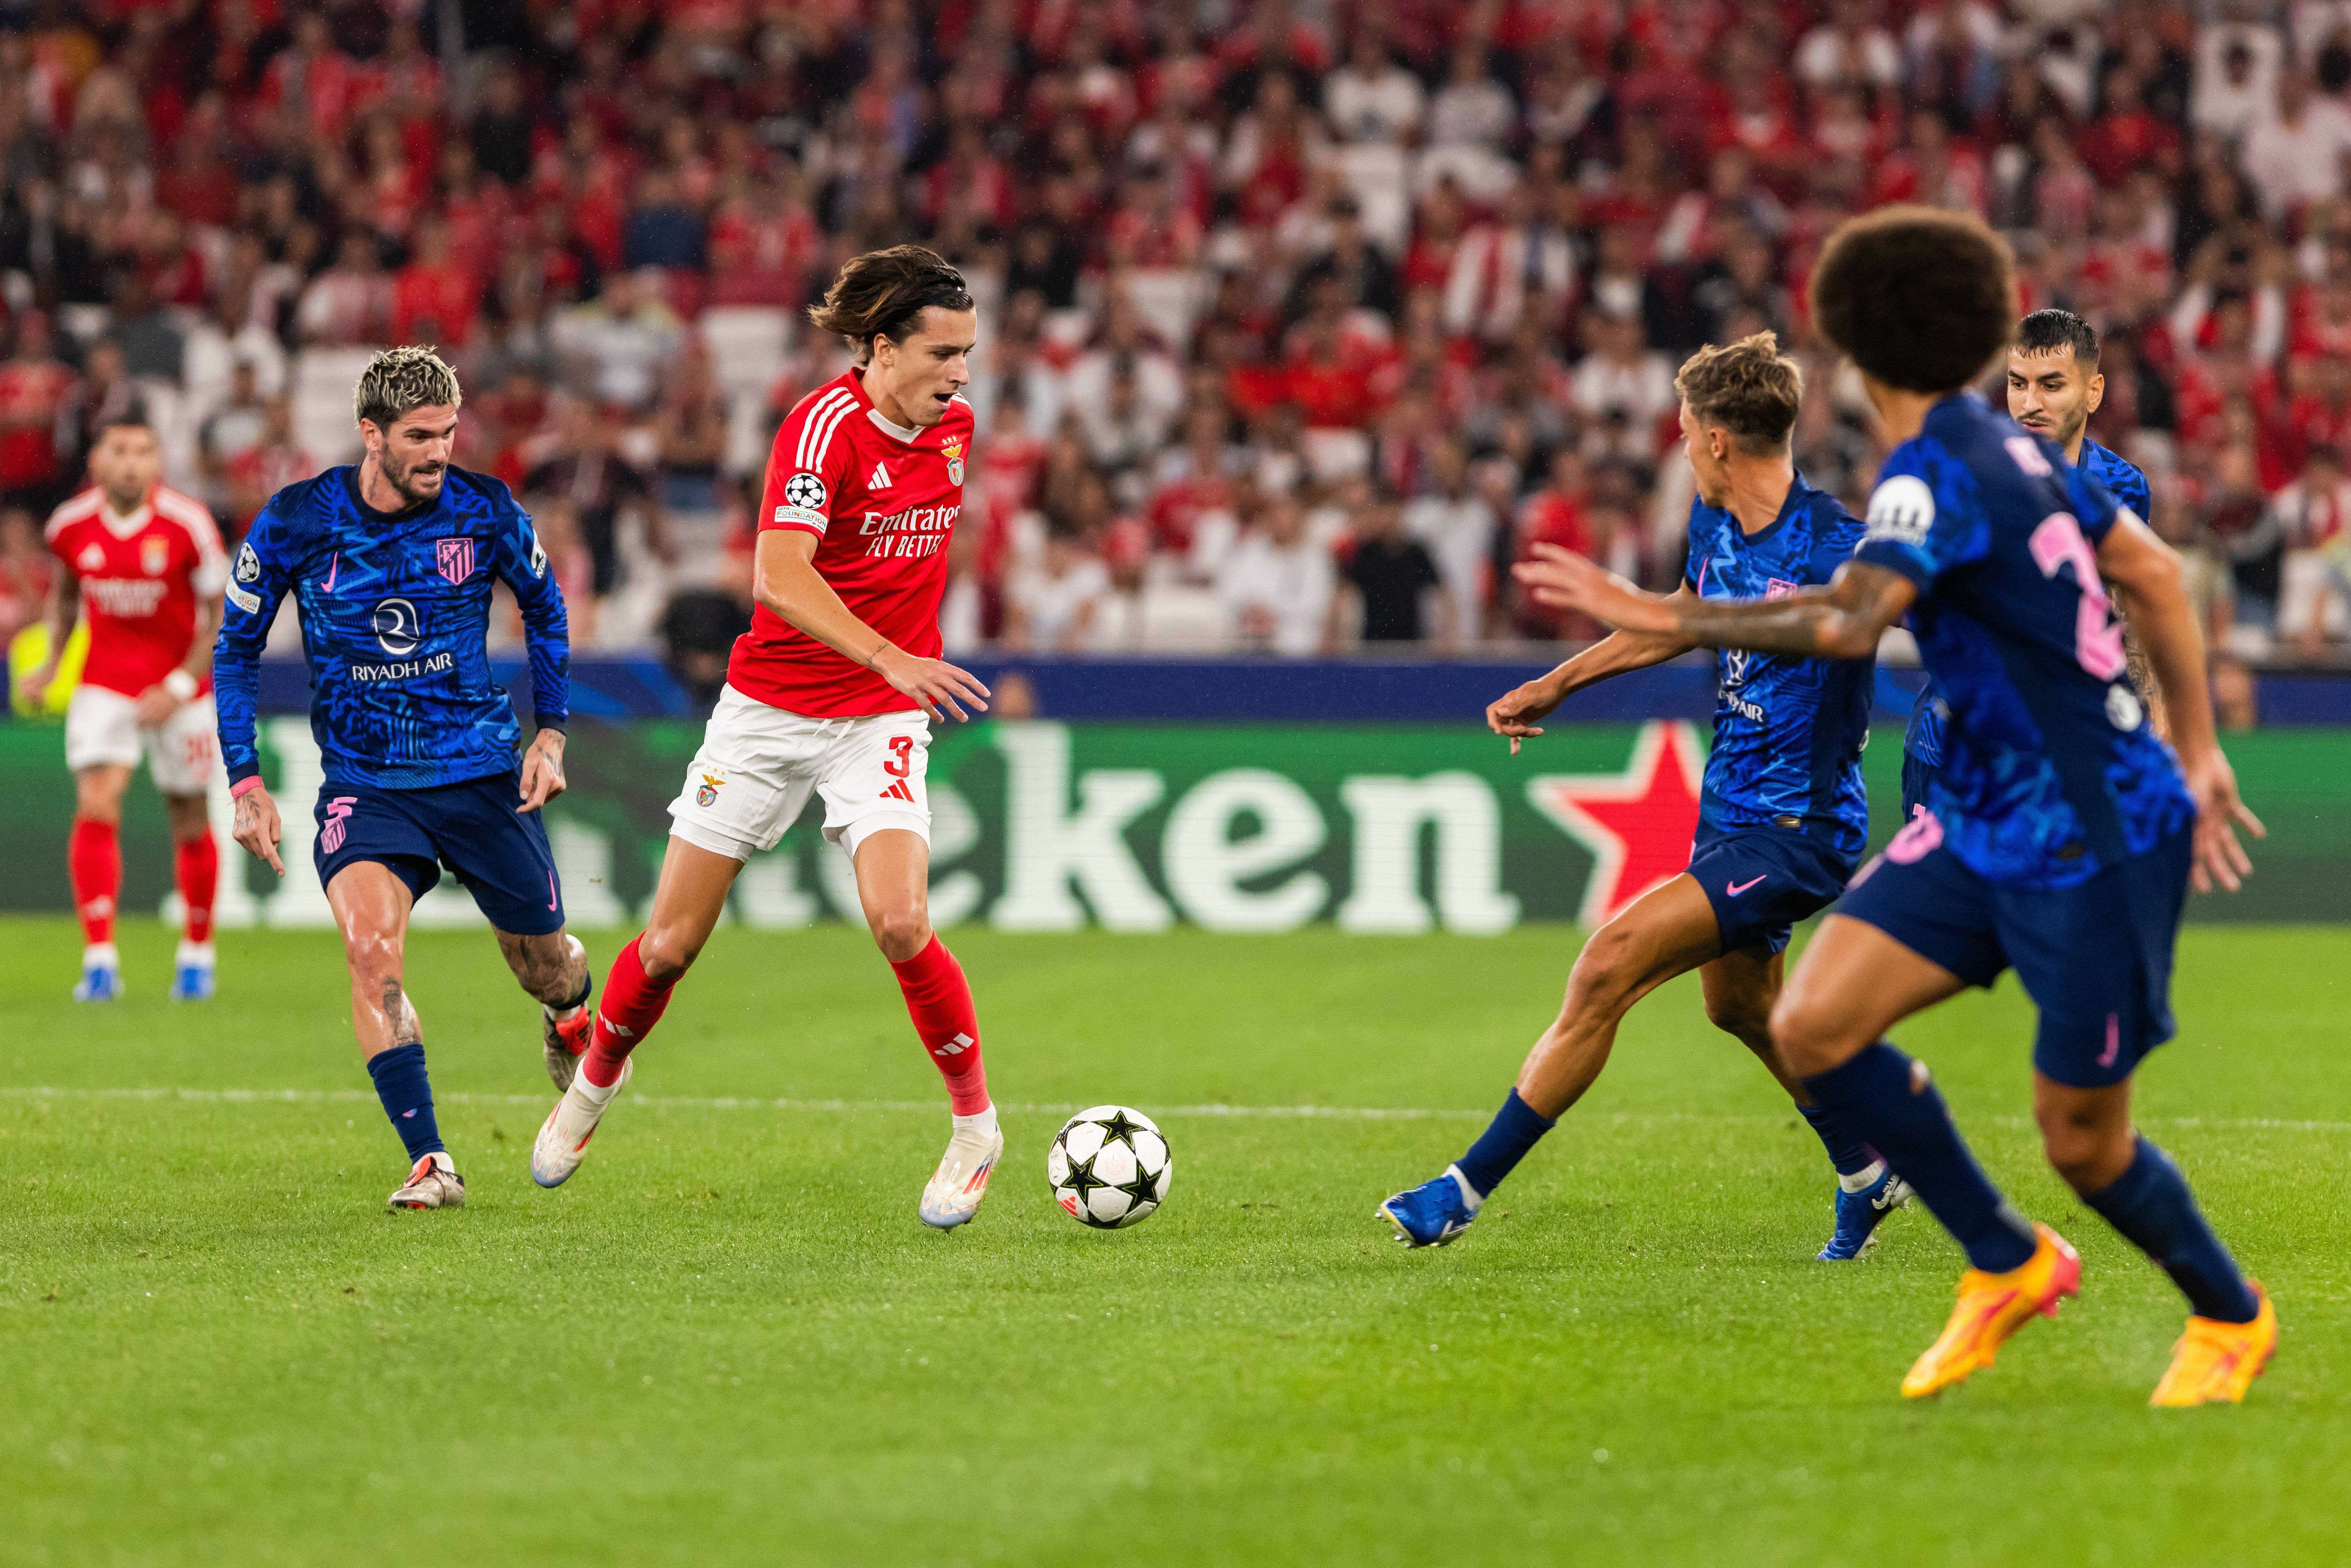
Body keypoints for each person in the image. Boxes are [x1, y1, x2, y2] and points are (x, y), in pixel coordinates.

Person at [1518, 207, 2275, 1407]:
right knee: (1812, 1026)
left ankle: (2231, 1314)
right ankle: (2007, 1256)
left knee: (2083, 1141)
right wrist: (2203, 742)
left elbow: (1844, 619)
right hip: (1983, 811)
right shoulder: (2004, 449)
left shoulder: (1942, 471)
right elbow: (2152, 572)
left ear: (1863, 353)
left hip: (2096, 825)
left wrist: (1677, 617)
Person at [1379, 333, 1905, 1261]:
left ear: (1713, 442)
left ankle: (1460, 1190)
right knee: (1739, 1009)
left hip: (1801, 829)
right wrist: (1560, 682)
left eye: (1681, 433)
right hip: (1729, 816)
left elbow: (1847, 628)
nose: (1679, 451)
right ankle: (1866, 1170)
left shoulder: (1838, 542)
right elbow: (1673, 621)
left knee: (1607, 964)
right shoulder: (1714, 528)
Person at [532, 246, 1003, 1230]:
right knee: (668, 945)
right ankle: (594, 1085)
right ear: (881, 349)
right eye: (945, 352)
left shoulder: (952, 428)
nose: (963, 373)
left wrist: (891, 672)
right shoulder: (820, 428)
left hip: (878, 712)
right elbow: (779, 580)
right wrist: (891, 654)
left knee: (903, 924)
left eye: (969, 352)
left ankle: (975, 1128)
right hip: (770, 712)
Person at [213, 347, 595, 1212]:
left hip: (481, 774)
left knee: (544, 965)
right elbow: (234, 650)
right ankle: (431, 1160)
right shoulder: (298, 521)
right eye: (419, 436)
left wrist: (553, 736)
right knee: (369, 954)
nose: (437, 452)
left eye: (448, 433)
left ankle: (570, 1012)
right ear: (370, 435)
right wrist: (246, 781)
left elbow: (545, 607)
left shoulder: (484, 509)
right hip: (366, 784)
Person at [1905, 308, 2154, 816]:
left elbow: (2129, 615)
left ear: (2093, 391)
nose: (2030, 404)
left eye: (2051, 385)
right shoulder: (1963, 476)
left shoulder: (2125, 490)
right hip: (1955, 747)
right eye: (2018, 385)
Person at [17, 411, 227, 1002]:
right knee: (97, 802)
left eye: (142, 450)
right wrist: (54, 663)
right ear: (97, 460)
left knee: (188, 815)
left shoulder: (190, 525)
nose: (131, 461)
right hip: (104, 683)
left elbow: (219, 622)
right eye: (119, 450)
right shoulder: (70, 526)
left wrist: (179, 689)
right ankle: (101, 959)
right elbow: (64, 599)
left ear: (158, 461)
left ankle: (197, 952)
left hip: (181, 689)